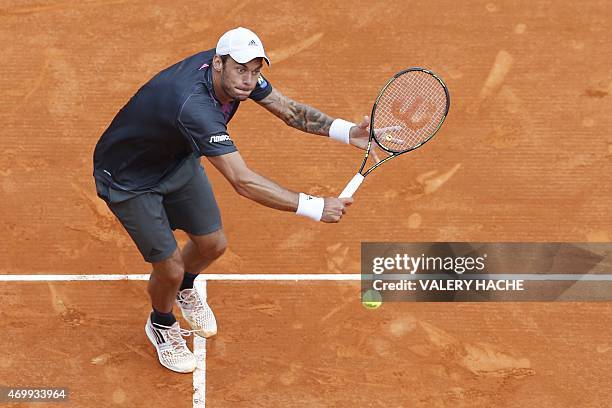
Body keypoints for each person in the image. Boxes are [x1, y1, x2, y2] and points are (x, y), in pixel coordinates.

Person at [92, 27, 377, 373]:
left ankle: (185, 289)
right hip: (129, 179)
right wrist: (316, 207)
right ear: (218, 63)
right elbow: (243, 181)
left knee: (212, 244)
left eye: (255, 71)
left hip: (175, 161)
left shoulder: (238, 78)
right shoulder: (194, 106)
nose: (248, 79)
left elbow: (288, 110)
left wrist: (348, 132)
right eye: (241, 69)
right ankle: (161, 323)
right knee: (169, 267)